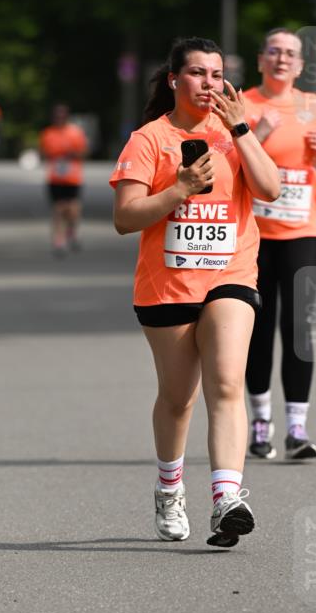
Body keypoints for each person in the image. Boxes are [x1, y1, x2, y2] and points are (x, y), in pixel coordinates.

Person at [111, 37, 280, 547]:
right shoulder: (149, 139)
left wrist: (242, 128)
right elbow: (124, 218)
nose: (210, 83)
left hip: (231, 274)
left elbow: (270, 190)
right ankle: (169, 490)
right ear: (174, 81)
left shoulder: (235, 135)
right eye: (198, 74)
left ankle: (227, 498)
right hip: (168, 284)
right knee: (178, 399)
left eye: (217, 74)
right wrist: (179, 189)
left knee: (227, 382)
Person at [242, 28, 316, 461]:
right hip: (257, 233)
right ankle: (261, 422)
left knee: (298, 325)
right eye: (274, 51)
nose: (282, 59)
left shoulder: (314, 106)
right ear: (261, 59)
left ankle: (298, 428)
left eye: (290, 53)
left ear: (300, 65)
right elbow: (233, 166)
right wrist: (258, 133)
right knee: (259, 325)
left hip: (308, 228)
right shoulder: (244, 104)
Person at [39, 104, 88, 255]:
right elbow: (42, 154)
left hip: (73, 177)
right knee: (58, 208)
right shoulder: (48, 133)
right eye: (57, 116)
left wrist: (71, 154)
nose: (59, 118)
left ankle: (71, 231)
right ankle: (58, 240)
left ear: (67, 117)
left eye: (62, 116)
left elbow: (84, 152)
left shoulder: (75, 133)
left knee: (72, 209)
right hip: (55, 177)